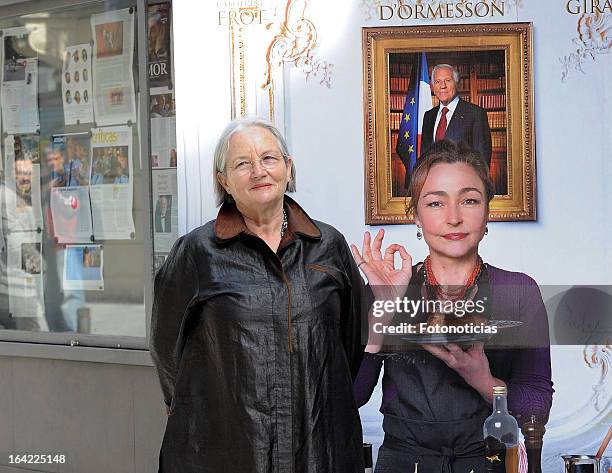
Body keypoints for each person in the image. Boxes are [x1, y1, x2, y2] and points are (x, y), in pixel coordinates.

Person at [151, 117, 366, 473]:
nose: (258, 171)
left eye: (269, 158)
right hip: (228, 444)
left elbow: (350, 342)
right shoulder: (197, 252)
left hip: (316, 442)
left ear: (287, 167)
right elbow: (166, 346)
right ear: (224, 180)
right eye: (242, 164)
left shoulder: (328, 245)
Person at [352, 140, 552, 473]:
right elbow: (353, 396)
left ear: (488, 210)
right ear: (415, 215)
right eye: (435, 203)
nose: (454, 218)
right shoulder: (384, 288)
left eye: (469, 200)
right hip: (403, 463)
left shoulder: (518, 291)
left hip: (488, 461)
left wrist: (483, 379)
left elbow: (536, 404)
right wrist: (383, 316)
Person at [421, 64, 492, 168]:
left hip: (462, 182)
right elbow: (425, 156)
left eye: (448, 80)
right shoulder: (428, 116)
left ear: (457, 84)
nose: (442, 86)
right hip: (434, 182)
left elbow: (482, 159)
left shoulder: (475, 113)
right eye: (437, 82)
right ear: (432, 87)